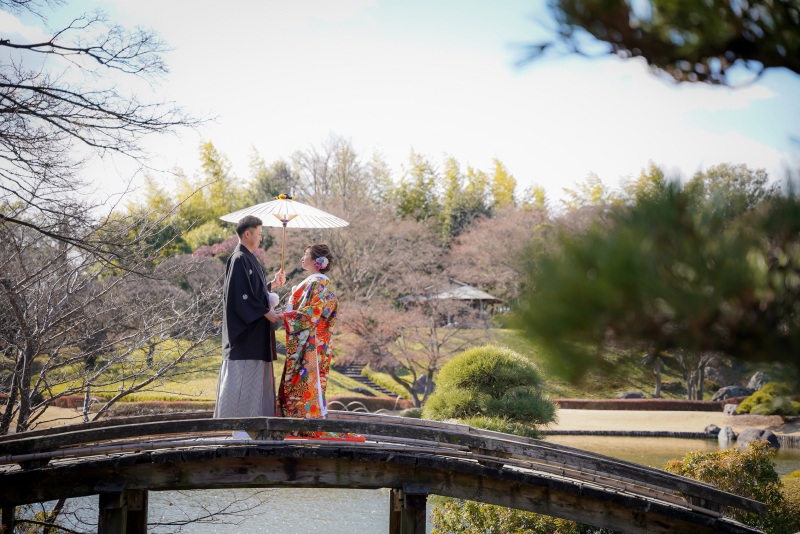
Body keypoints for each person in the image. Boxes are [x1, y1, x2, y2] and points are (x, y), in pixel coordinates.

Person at [277, 244, 363, 441]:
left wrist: (281, 316)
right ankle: (297, 425)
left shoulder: (316, 284)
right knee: (302, 384)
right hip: (309, 343)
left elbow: (310, 315)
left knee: (304, 383)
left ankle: (304, 426)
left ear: (318, 262)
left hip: (308, 345)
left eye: (305, 255)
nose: (302, 258)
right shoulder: (316, 284)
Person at [214, 215, 285, 439]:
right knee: (241, 383)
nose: (261, 238)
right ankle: (239, 431)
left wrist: (272, 284)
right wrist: (267, 312)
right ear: (248, 234)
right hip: (244, 336)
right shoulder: (238, 259)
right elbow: (241, 297)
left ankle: (249, 430)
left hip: (254, 334)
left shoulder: (247, 259)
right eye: (259, 234)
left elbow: (253, 291)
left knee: (252, 383)